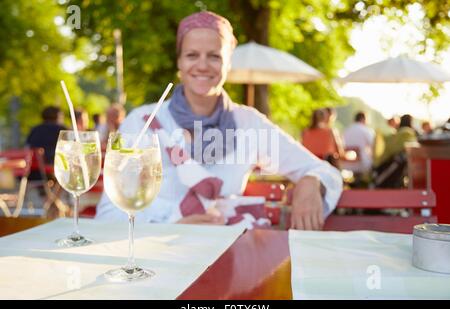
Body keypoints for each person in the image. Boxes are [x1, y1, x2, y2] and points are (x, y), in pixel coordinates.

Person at [95, 11, 342, 230]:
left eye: (214, 56)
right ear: (179, 61)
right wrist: (171, 224)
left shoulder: (249, 123)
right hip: (155, 261)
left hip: (226, 257)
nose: (202, 65)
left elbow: (325, 171)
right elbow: (110, 213)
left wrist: (312, 182)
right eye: (192, 55)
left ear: (228, 62)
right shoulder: (142, 121)